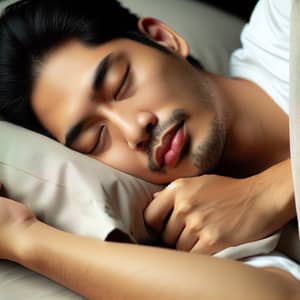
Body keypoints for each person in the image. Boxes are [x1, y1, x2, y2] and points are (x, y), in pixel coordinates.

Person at [0, 0, 299, 299]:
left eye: (120, 86)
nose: (134, 130)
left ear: (162, 38)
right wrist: (23, 238)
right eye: (96, 139)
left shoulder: (285, 23)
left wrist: (265, 194)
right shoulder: (208, 224)